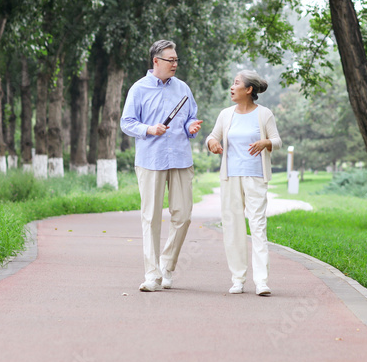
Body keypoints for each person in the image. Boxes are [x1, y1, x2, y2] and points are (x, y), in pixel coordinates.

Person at [121, 40, 203, 292]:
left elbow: (190, 116)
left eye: (177, 60)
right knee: (151, 218)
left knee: (183, 215)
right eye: (171, 60)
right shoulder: (139, 89)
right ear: (156, 61)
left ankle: (167, 266)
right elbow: (127, 122)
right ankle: (152, 275)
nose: (175, 64)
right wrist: (149, 129)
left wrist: (191, 127)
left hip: (180, 159)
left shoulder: (183, 88)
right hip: (150, 161)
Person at [206, 70, 282, 296]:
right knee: (233, 228)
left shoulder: (264, 114)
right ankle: (238, 279)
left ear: (249, 90)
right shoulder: (226, 114)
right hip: (230, 178)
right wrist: (212, 144)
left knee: (258, 226)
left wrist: (265, 142)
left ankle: (261, 282)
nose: (232, 87)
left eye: (236, 83)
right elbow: (212, 136)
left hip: (256, 176)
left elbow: (277, 141)